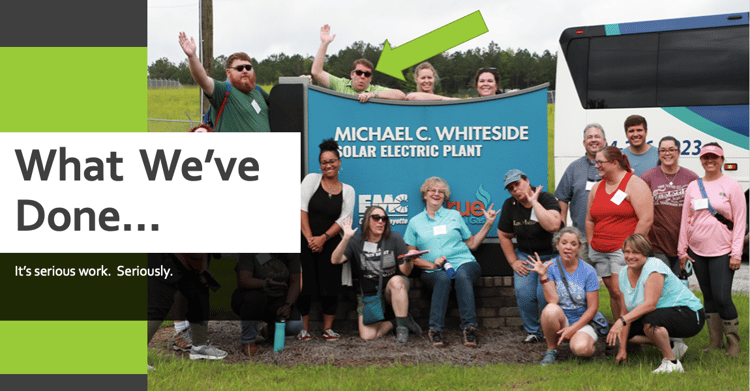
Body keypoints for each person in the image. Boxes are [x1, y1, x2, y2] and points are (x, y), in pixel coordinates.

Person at [403, 177, 497, 348]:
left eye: (441, 191)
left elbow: (472, 244)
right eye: (432, 190)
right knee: (443, 279)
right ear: (425, 194)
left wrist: (488, 224)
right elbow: (412, 256)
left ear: (445, 196)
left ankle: (470, 329)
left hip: (463, 262)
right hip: (434, 270)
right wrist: (432, 265)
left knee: (461, 276)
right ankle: (435, 331)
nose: (436, 194)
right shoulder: (415, 222)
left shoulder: (454, 216)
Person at [677, 142, 745, 356]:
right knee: (707, 295)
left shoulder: (732, 186)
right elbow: (685, 219)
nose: (710, 161)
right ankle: (715, 341)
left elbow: (741, 221)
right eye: (706, 157)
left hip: (723, 251)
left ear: (722, 160)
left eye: (714, 157)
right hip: (697, 250)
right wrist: (682, 250)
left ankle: (732, 341)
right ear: (701, 160)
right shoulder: (693, 186)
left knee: (722, 296)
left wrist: (736, 253)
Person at [607, 234, 705, 373]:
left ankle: (671, 363)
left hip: (690, 314)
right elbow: (625, 311)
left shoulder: (654, 266)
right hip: (663, 315)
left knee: (650, 320)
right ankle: (672, 344)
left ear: (646, 253)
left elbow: (650, 304)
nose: (630, 256)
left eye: (636, 252)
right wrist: (622, 349)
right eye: (627, 252)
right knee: (627, 333)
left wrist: (620, 321)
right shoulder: (623, 274)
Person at [331, 208, 423, 343]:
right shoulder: (356, 241)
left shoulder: (395, 238)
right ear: (367, 220)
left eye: (384, 218)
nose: (381, 222)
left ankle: (402, 329)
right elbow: (335, 260)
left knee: (397, 281)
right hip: (370, 294)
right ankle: (398, 322)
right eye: (376, 218)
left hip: (392, 291)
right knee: (367, 336)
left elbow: (406, 272)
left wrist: (409, 260)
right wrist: (346, 238)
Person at [586, 146, 653, 320]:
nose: (596, 165)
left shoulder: (634, 184)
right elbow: (589, 219)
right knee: (613, 292)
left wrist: (631, 249)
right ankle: (619, 330)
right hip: (600, 250)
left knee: (620, 291)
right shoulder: (596, 188)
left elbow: (646, 219)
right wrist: (591, 242)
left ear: (615, 163)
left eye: (600, 162)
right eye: (596, 162)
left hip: (621, 249)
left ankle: (628, 333)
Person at [298, 138, 355, 341]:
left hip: (331, 244)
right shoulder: (311, 180)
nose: (328, 165)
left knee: (330, 286)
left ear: (339, 162)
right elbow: (301, 209)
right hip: (306, 242)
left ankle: (327, 329)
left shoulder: (348, 190)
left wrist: (323, 238)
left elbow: (344, 219)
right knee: (305, 286)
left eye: (332, 161)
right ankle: (303, 330)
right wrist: (310, 239)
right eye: (324, 162)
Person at [498, 169, 563, 343]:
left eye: (517, 184)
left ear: (527, 181)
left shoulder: (546, 199)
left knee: (544, 294)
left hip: (551, 257)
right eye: (511, 188)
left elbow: (554, 226)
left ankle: (549, 329)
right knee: (524, 292)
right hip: (526, 256)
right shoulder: (509, 205)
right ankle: (533, 332)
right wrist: (513, 261)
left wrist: (534, 203)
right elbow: (503, 234)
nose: (516, 190)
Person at [526, 227, 600, 366]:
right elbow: (552, 300)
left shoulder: (588, 271)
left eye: (573, 244)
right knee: (550, 310)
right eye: (564, 243)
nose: (568, 247)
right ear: (557, 244)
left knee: (582, 350)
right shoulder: (552, 267)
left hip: (582, 321)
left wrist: (573, 328)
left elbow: (593, 308)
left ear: (579, 247)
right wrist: (543, 276)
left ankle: (584, 343)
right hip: (561, 320)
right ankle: (551, 350)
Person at [178, 32, 270, 132]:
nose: (245, 70)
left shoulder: (258, 91)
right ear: (228, 72)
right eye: (239, 68)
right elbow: (203, 80)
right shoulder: (224, 91)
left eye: (248, 67)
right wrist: (192, 56)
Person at [147, 253, 227, 362]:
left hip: (186, 258)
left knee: (198, 288)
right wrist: (198, 267)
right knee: (159, 303)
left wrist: (202, 269)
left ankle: (200, 347)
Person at [640, 136, 699, 276]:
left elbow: (697, 212)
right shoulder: (647, 177)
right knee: (662, 284)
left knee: (681, 285)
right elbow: (641, 209)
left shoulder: (691, 178)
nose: (667, 153)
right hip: (657, 243)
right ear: (659, 154)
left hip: (684, 244)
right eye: (663, 150)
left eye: (671, 150)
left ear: (679, 152)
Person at [231, 253, 303, 355]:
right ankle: (248, 342)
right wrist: (265, 283)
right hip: (252, 296)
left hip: (277, 299)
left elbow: (295, 282)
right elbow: (243, 281)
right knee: (255, 298)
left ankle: (267, 331)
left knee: (295, 325)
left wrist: (288, 305)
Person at [555, 123, 607, 263]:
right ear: (584, 143)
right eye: (589, 137)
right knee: (579, 279)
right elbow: (562, 199)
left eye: (597, 136)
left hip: (608, 237)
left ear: (605, 141)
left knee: (612, 282)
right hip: (581, 239)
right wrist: (563, 231)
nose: (593, 140)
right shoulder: (574, 168)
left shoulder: (613, 166)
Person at [311, 24, 405, 103]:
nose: (363, 76)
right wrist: (324, 44)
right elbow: (317, 72)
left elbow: (401, 95)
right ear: (352, 74)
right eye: (359, 72)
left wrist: (372, 95)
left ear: (371, 78)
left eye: (367, 74)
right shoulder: (340, 84)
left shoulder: (374, 89)